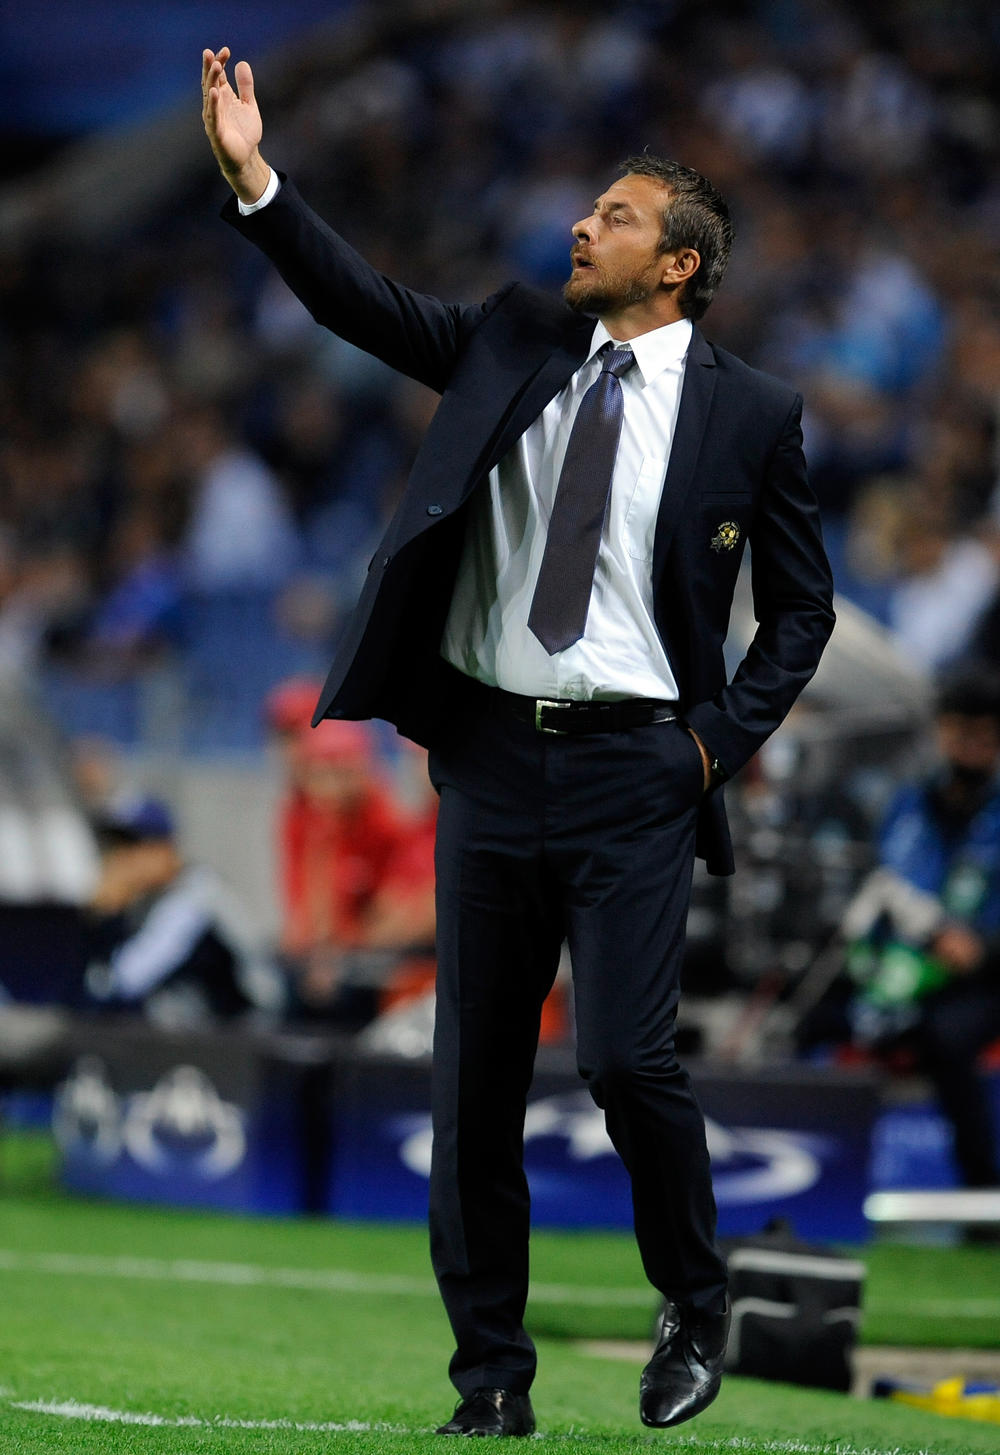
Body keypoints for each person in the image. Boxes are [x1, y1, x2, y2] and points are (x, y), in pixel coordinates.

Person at [202, 46, 835, 1434]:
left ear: (676, 265)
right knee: (472, 1090)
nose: (579, 226)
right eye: (589, 209)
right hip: (488, 759)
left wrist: (711, 747)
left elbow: (804, 611)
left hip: (640, 772)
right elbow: (362, 304)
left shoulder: (753, 413)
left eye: (613, 216)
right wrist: (258, 183)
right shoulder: (512, 336)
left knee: (625, 1061)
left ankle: (695, 1298)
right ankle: (490, 1377)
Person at [829, 668, 1000, 1193]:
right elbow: (879, 883)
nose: (969, 743)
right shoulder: (907, 803)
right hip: (898, 967)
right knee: (817, 1016)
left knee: (946, 1037)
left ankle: (980, 1192)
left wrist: (981, 946)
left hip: (982, 980)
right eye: (959, 729)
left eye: (983, 733)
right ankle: (819, 1179)